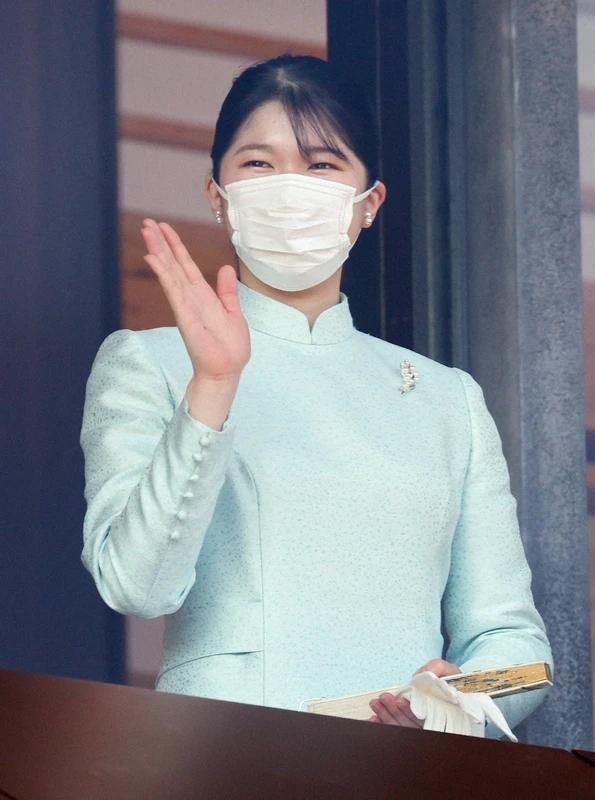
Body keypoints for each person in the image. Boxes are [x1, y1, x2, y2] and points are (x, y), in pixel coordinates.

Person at [80, 55, 552, 736]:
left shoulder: (449, 401)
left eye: (322, 164)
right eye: (259, 163)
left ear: (369, 203)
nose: (289, 188)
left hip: (402, 770)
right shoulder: (149, 361)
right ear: (217, 194)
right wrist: (212, 387)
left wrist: (452, 707)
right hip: (223, 757)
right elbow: (135, 585)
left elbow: (518, 652)